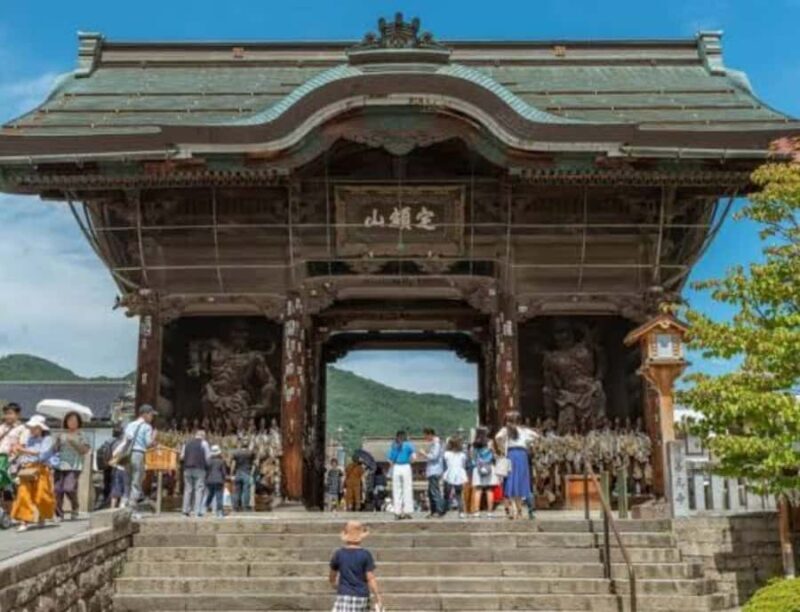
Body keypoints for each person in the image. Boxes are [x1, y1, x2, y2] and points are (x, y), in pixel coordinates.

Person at [11, 415, 56, 532]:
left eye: (34, 427)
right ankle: (24, 521)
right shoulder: (29, 439)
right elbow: (26, 455)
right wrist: (19, 452)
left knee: (42, 495)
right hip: (28, 469)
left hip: (42, 469)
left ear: (41, 428)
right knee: (23, 494)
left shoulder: (48, 439)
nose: (31, 429)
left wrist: (24, 450)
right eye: (30, 427)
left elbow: (43, 455)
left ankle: (43, 515)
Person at [329, 521, 383, 612]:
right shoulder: (365, 554)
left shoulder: (339, 554)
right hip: (361, 595)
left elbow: (332, 575)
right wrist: (377, 596)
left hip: (344, 594)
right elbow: (370, 578)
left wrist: (334, 584)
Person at [495, 411, 538, 520]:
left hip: (511, 454)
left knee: (511, 481)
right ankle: (519, 511)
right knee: (521, 482)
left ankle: (514, 509)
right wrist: (529, 444)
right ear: (519, 420)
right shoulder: (524, 430)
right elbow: (536, 436)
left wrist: (501, 446)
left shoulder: (505, 430)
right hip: (522, 455)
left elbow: (497, 437)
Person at [116, 404, 157, 512]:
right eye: (151, 415)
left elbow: (126, 438)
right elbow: (148, 443)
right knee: (136, 481)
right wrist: (154, 438)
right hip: (138, 453)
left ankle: (123, 503)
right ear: (145, 414)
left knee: (127, 480)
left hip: (127, 454)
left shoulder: (130, 425)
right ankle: (132, 508)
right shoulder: (147, 427)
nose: (152, 417)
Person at [53, 412, 90, 521]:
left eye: (74, 420)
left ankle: (75, 507)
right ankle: (59, 514)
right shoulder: (61, 434)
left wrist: (72, 441)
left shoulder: (81, 435)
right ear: (66, 422)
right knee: (57, 490)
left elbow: (84, 450)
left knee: (69, 488)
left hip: (74, 466)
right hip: (60, 465)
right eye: (69, 420)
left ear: (78, 422)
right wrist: (57, 441)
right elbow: (55, 450)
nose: (72, 422)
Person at [181, 429, 211, 517]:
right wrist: (208, 467)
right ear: (203, 436)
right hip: (199, 468)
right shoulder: (204, 443)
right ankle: (197, 511)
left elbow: (182, 456)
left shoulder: (186, 443)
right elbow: (208, 457)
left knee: (188, 489)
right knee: (199, 489)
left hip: (187, 468)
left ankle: (185, 510)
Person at [470, 427, 498, 518]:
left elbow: (472, 456)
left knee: (478, 490)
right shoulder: (490, 442)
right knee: (489, 490)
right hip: (489, 466)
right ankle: (490, 512)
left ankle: (476, 512)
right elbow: (494, 454)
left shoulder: (475, 443)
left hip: (478, 467)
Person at [387, 431, 415, 520]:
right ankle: (407, 511)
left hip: (397, 467)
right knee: (407, 488)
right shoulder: (409, 445)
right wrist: (409, 461)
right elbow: (414, 457)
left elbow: (389, 459)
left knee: (397, 489)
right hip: (406, 466)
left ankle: (397, 512)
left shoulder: (394, 445)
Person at [0, 403, 27, 494]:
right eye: (6, 413)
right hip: (1, 462)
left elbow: (23, 445)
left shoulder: (22, 428)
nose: (8, 416)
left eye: (10, 413)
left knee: (11, 492)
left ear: (18, 415)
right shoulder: (1, 427)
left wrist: (16, 448)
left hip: (12, 464)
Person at [420, 428, 445, 517]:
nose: (425, 437)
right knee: (431, 492)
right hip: (432, 470)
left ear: (430, 434)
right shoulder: (434, 443)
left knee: (434, 491)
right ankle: (433, 511)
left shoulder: (436, 444)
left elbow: (434, 456)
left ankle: (439, 510)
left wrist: (424, 454)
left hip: (435, 470)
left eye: (425, 435)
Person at [443, 436, 468, 518]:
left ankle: (444, 510)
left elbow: (445, 464)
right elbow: (464, 465)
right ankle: (461, 512)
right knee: (458, 495)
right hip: (459, 474)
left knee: (447, 493)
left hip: (449, 474)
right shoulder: (462, 455)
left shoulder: (447, 454)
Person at [231, 438, 256, 511]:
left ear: (241, 445)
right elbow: (254, 464)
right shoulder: (251, 453)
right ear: (247, 445)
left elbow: (233, 464)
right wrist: (252, 473)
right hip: (247, 472)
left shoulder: (236, 453)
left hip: (238, 472)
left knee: (237, 490)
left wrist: (232, 473)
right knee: (246, 491)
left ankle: (235, 506)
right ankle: (245, 506)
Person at [205, 444, 227, 518]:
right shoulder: (221, 461)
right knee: (219, 496)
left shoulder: (208, 461)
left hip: (210, 480)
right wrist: (224, 479)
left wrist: (206, 479)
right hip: (219, 480)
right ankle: (219, 512)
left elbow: (206, 471)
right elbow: (223, 472)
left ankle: (205, 507)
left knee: (210, 494)